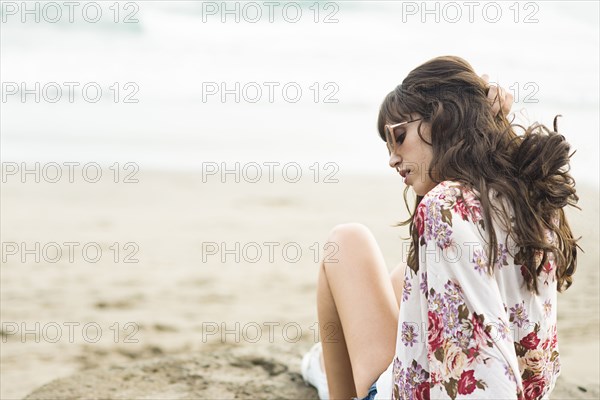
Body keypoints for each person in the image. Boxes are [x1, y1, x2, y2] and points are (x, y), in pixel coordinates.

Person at [301, 56, 579, 400]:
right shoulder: (533, 194)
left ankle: (325, 372)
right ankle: (319, 366)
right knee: (405, 275)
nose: (391, 159)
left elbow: (483, 362)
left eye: (399, 137)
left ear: (443, 120)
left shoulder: (445, 204)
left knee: (345, 242)